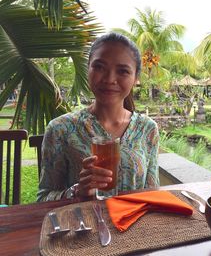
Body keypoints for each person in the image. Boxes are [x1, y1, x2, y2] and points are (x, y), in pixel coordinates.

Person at [37, 33, 160, 202]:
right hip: (83, 227)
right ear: (88, 69)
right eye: (100, 67)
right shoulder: (61, 129)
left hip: (133, 226)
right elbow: (44, 197)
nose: (109, 79)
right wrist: (76, 191)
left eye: (123, 71)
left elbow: (153, 194)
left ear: (136, 79)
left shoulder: (147, 128)